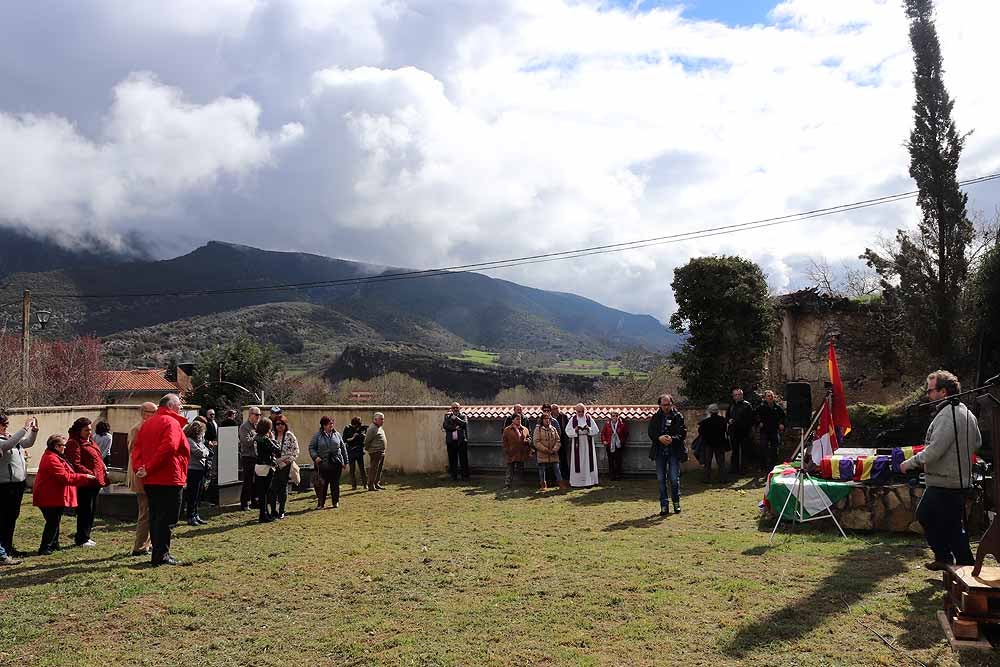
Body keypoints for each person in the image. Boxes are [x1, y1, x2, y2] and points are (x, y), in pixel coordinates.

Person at [900, 370, 982, 571]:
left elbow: (935, 450)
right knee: (952, 525)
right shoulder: (966, 412)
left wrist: (910, 463)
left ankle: (955, 562)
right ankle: (958, 564)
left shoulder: (948, 415)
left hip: (945, 480)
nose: (928, 395)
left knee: (927, 516)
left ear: (943, 392)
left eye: (931, 390)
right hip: (955, 479)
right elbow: (977, 442)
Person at [133, 393, 190, 566]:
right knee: (167, 518)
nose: (181, 408)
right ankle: (161, 555)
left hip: (152, 479)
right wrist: (148, 467)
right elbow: (169, 448)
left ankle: (158, 553)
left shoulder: (147, 424)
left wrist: (142, 468)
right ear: (171, 406)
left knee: (156, 516)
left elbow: (137, 449)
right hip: (169, 477)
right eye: (179, 405)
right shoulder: (171, 422)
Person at [33, 434, 97, 556]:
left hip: (53, 495)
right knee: (52, 522)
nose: (65, 448)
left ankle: (53, 544)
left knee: (54, 521)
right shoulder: (51, 458)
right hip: (49, 496)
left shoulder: (55, 456)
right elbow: (65, 477)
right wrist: (84, 477)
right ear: (56, 446)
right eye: (63, 445)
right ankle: (45, 547)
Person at [64, 417, 108, 548]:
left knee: (91, 509)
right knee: (85, 510)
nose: (89, 432)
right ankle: (82, 538)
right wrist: (90, 474)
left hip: (95, 481)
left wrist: (102, 468)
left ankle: (86, 535)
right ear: (79, 430)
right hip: (86, 481)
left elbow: (96, 456)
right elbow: (75, 463)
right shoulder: (74, 443)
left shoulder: (90, 441)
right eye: (86, 430)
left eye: (90, 429)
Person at [0, 414, 39, 559]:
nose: (6, 427)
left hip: (18, 484)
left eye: (7, 424)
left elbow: (27, 443)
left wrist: (34, 431)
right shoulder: (5, 441)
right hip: (5, 486)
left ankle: (8, 548)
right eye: (3, 424)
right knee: (4, 518)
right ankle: (3, 550)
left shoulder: (10, 437)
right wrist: (24, 428)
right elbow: (7, 445)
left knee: (12, 517)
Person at [647, 393, 687, 516]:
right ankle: (664, 505)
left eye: (668, 404)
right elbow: (651, 432)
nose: (666, 407)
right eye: (663, 405)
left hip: (674, 451)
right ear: (659, 405)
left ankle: (676, 502)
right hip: (659, 452)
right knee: (661, 480)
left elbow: (682, 433)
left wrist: (672, 439)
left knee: (674, 479)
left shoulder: (678, 416)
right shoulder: (655, 417)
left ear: (672, 404)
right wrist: (659, 438)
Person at [127, 402, 157, 556]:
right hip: (141, 477)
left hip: (149, 476)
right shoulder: (137, 429)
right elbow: (134, 453)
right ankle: (139, 546)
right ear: (144, 413)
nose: (156, 415)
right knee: (145, 512)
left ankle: (148, 543)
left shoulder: (150, 428)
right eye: (153, 412)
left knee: (151, 511)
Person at [309, 416, 349, 507]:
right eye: (329, 423)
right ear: (323, 425)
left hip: (336, 463)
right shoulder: (317, 436)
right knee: (323, 485)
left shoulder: (337, 434)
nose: (331, 425)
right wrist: (315, 457)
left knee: (335, 484)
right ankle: (321, 503)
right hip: (323, 464)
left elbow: (343, 448)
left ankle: (335, 502)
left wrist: (345, 461)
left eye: (332, 423)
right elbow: (311, 448)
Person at [270, 415, 299, 518]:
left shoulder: (290, 436)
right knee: (272, 488)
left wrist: (286, 462)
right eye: (277, 424)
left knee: (283, 487)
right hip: (273, 465)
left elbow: (295, 452)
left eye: (282, 424)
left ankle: (281, 510)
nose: (280, 426)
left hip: (286, 465)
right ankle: (273, 510)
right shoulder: (272, 435)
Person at [566, 403, 600, 488]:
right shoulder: (573, 419)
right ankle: (577, 482)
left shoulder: (589, 418)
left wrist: (589, 429)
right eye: (579, 411)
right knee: (578, 462)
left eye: (582, 411)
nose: (581, 413)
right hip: (577, 442)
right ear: (576, 411)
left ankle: (589, 481)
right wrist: (575, 430)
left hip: (587, 442)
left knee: (589, 461)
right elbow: (567, 431)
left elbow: (596, 430)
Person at [253, 417, 280, 523]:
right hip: (267, 466)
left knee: (261, 492)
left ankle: (264, 513)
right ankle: (264, 515)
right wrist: (273, 439)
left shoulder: (256, 437)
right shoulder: (265, 439)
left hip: (258, 466)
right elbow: (277, 450)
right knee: (265, 492)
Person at [184, 420, 210, 526]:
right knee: (193, 494)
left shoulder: (199, 441)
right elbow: (199, 452)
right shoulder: (189, 440)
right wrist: (205, 451)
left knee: (198, 494)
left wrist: (205, 451)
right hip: (193, 469)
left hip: (200, 469)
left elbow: (206, 450)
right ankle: (190, 516)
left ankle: (196, 514)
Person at [533, 412, 566, 491]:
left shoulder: (553, 429)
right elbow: (536, 442)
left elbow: (558, 440)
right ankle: (543, 485)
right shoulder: (538, 429)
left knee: (557, 469)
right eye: (545, 419)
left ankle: (561, 484)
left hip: (553, 453)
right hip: (542, 453)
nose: (547, 421)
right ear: (542, 420)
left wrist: (555, 449)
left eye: (548, 419)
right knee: (542, 470)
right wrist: (545, 449)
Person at [755, 390, 786, 475]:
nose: (770, 397)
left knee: (774, 449)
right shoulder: (761, 407)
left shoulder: (777, 407)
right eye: (768, 396)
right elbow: (755, 416)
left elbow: (783, 417)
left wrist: (782, 424)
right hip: (764, 431)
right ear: (765, 398)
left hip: (774, 431)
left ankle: (773, 467)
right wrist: (759, 423)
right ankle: (763, 467)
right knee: (763, 448)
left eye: (771, 396)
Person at [726, 388, 754, 476]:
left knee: (744, 451)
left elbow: (751, 419)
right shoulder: (731, 405)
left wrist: (745, 426)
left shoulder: (747, 405)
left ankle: (744, 469)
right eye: (735, 395)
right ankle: (734, 469)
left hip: (744, 432)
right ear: (733, 396)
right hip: (734, 431)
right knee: (735, 451)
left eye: (739, 394)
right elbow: (727, 416)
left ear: (742, 395)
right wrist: (729, 420)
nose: (737, 396)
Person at [698, 404, 729, 484]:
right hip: (720, 443)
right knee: (721, 462)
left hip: (709, 444)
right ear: (717, 411)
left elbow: (701, 432)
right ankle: (723, 478)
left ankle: (706, 478)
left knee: (707, 462)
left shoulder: (705, 421)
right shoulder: (722, 420)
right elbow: (725, 430)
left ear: (710, 411)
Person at [239, 407, 262, 510]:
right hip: (248, 457)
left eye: (259, 415)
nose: (258, 417)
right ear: (250, 415)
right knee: (248, 480)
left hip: (256, 456)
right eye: (257, 415)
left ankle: (254, 501)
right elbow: (246, 442)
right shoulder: (244, 427)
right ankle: (244, 503)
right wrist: (256, 436)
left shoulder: (256, 426)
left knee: (256, 481)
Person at [442, 402, 470, 481]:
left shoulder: (463, 416)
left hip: (461, 442)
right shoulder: (447, 417)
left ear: (459, 408)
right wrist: (455, 428)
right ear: (451, 409)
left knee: (463, 460)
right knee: (452, 460)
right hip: (451, 442)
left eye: (456, 407)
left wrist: (456, 418)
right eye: (453, 408)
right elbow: (445, 426)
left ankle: (465, 477)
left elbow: (464, 424)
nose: (455, 409)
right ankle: (454, 476)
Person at [502, 413, 531, 489]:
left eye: (520, 419)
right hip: (511, 452)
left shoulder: (525, 429)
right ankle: (507, 484)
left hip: (521, 452)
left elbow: (529, 438)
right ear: (513, 420)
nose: (519, 421)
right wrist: (507, 450)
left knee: (520, 469)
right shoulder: (507, 430)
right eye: (517, 419)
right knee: (510, 469)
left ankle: (520, 484)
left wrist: (528, 441)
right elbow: (504, 441)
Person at [600, 409, 629, 481]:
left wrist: (622, 441)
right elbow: (603, 433)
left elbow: (626, 434)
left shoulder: (622, 425)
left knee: (618, 461)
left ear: (618, 417)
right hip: (610, 445)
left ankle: (618, 475)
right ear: (611, 417)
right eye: (613, 416)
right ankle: (612, 475)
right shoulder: (607, 424)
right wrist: (604, 441)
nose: (614, 417)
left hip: (618, 445)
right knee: (610, 461)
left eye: (616, 416)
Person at [365, 412, 388, 491]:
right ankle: (371, 485)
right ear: (375, 419)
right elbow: (367, 440)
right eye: (381, 419)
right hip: (375, 451)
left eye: (383, 419)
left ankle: (376, 483)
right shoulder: (372, 428)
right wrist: (369, 449)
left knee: (378, 469)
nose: (383, 421)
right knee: (374, 468)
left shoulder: (379, 427)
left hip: (380, 451)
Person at [343, 417, 367, 490]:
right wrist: (353, 437)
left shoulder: (361, 429)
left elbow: (364, 437)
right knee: (352, 469)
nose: (357, 427)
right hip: (351, 451)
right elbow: (344, 439)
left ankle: (365, 484)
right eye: (356, 425)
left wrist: (363, 436)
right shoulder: (347, 428)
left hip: (359, 451)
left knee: (362, 468)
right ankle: (354, 485)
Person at [550, 403, 571, 481]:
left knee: (564, 459)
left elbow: (568, 428)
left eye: (557, 408)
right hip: (554, 441)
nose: (556, 410)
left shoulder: (564, 417)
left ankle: (565, 476)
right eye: (554, 409)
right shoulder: (550, 418)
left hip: (563, 441)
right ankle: (556, 477)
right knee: (555, 459)